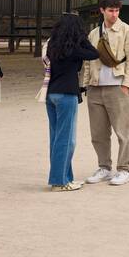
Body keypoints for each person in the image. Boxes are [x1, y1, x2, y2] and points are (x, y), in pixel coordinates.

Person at [81, 0, 129, 186]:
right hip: (95, 87)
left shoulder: (128, 31)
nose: (114, 14)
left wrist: (126, 85)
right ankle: (104, 167)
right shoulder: (93, 33)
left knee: (123, 131)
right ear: (102, 10)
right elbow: (88, 62)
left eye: (117, 11)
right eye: (110, 11)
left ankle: (123, 169)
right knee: (98, 133)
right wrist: (86, 85)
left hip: (117, 86)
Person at [42, 13, 99, 192]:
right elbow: (94, 53)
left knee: (57, 138)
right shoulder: (74, 49)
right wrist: (83, 38)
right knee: (66, 140)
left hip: (50, 94)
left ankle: (66, 178)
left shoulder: (52, 45)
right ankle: (59, 181)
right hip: (67, 94)